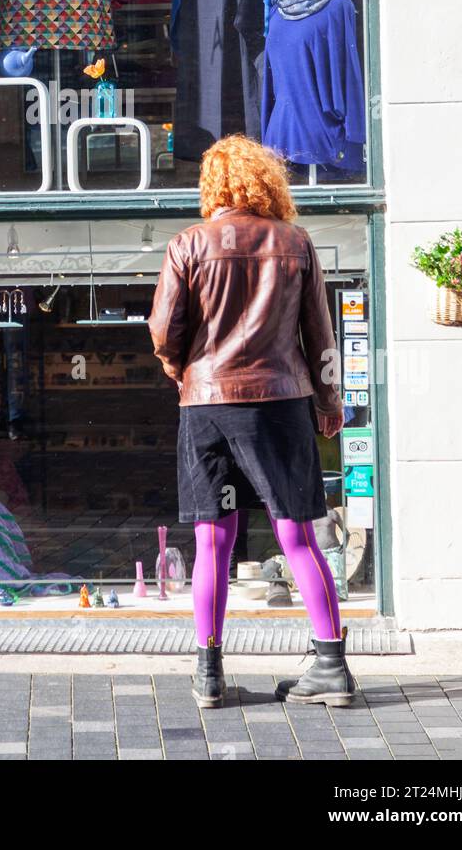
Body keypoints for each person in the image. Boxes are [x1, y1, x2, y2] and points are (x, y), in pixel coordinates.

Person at [148, 134, 354, 709]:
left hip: (208, 403)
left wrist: (180, 369)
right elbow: (320, 333)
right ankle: (331, 666)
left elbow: (165, 331)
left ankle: (209, 674)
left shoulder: (189, 243)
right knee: (298, 534)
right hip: (281, 402)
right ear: (268, 183)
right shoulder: (296, 243)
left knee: (213, 539)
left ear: (212, 185)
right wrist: (329, 402)